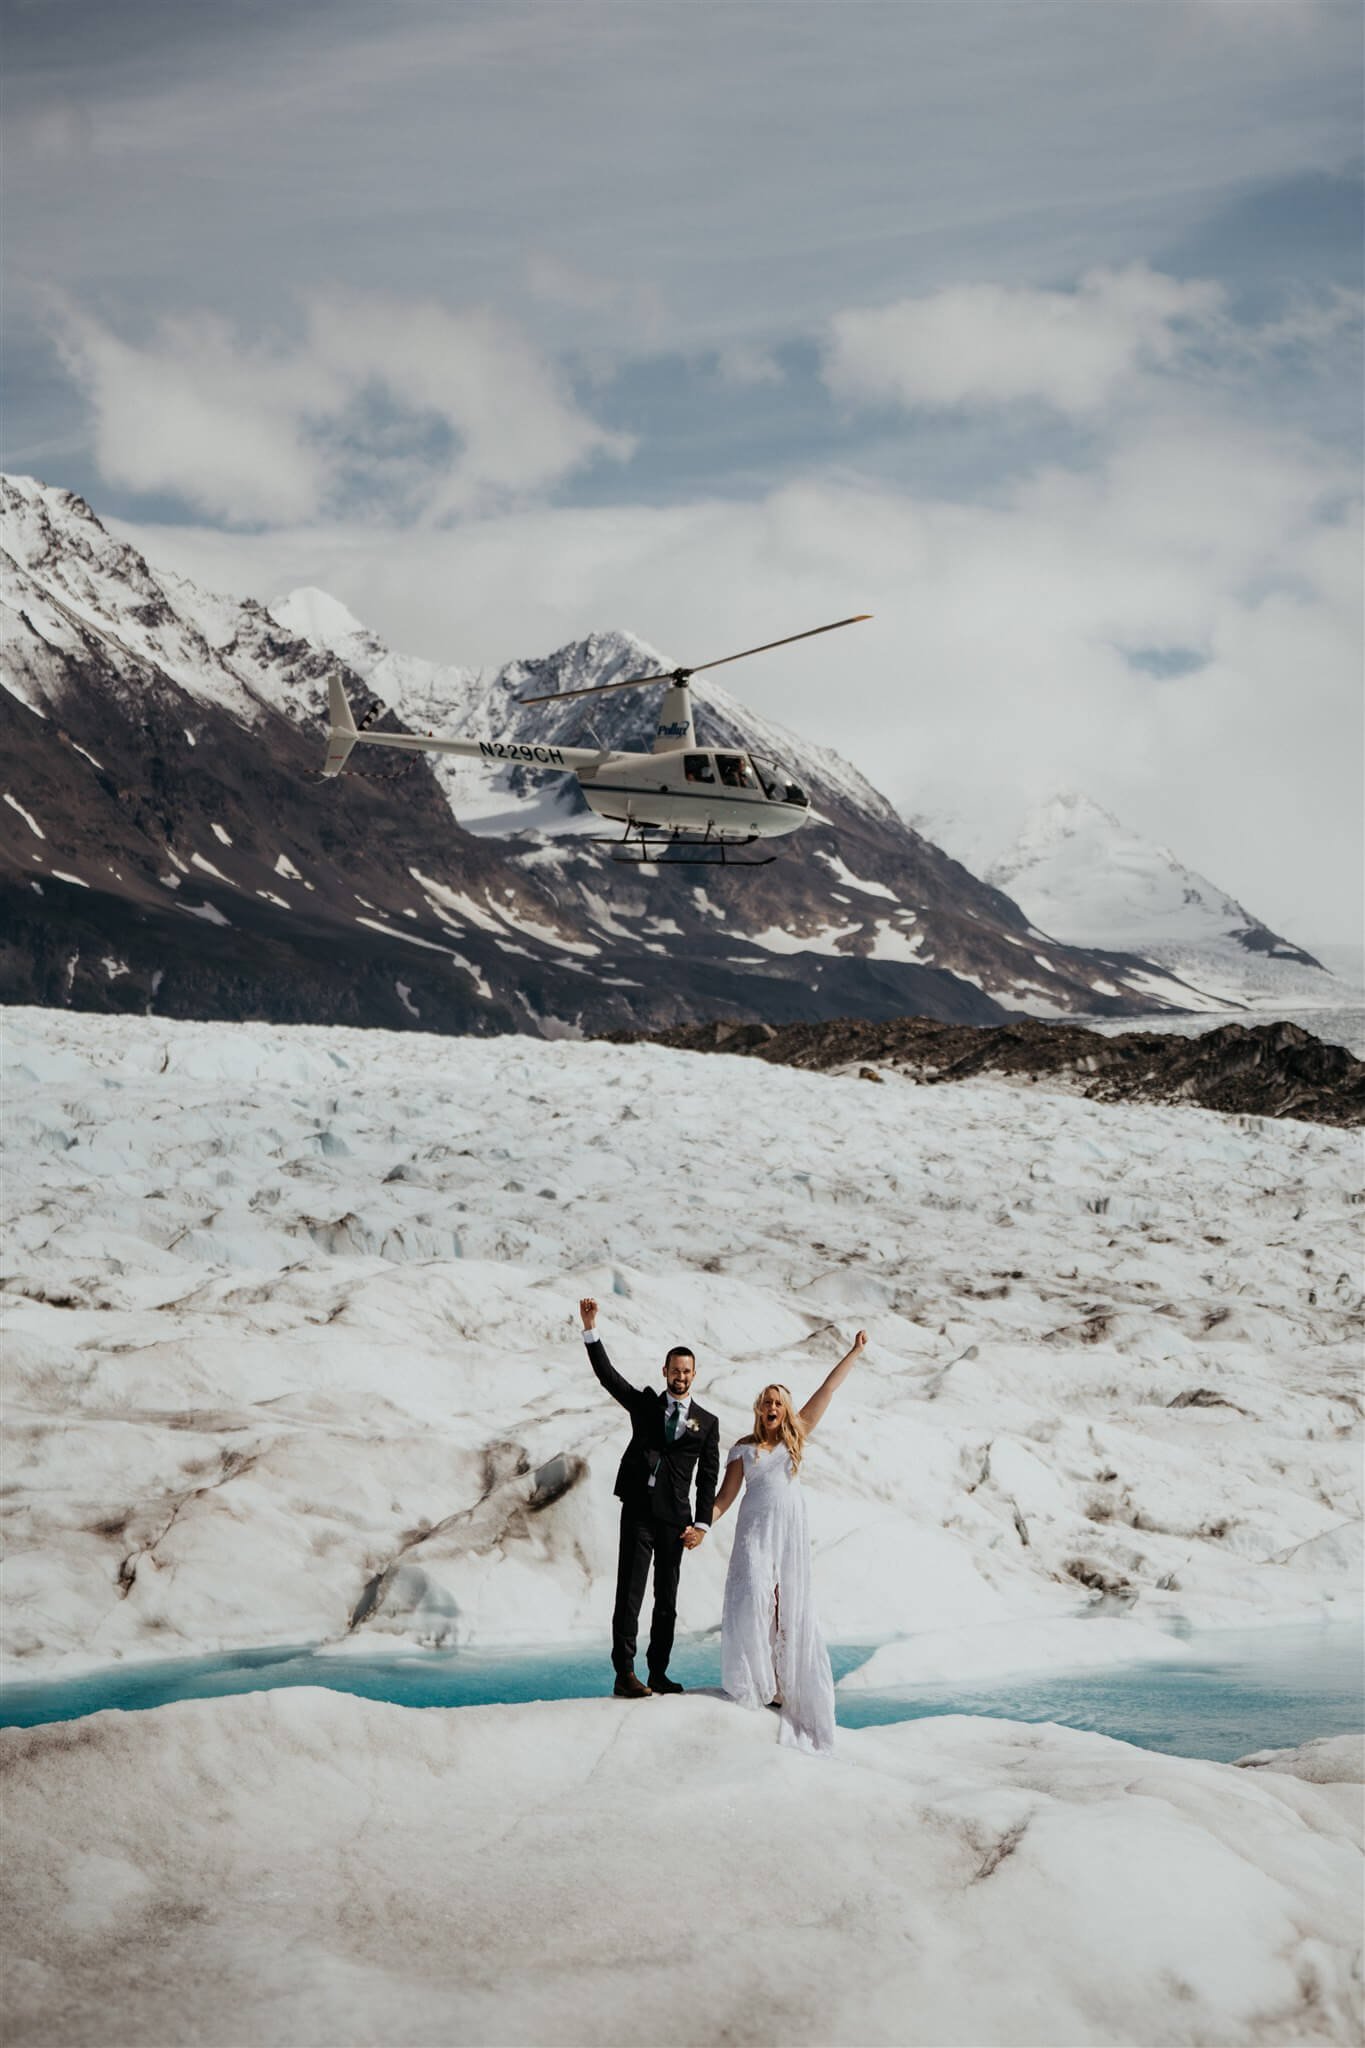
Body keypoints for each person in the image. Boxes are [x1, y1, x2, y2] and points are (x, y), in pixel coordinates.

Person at [709, 1331, 868, 1755]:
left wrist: (854, 1352)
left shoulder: (795, 1439)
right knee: (753, 1597)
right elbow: (725, 1498)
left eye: (780, 1402)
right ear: (759, 1409)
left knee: (785, 1602)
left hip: (789, 1535)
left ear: (787, 1410)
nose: (773, 1407)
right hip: (753, 1534)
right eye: (767, 1401)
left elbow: (828, 1389)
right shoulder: (743, 1448)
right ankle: (755, 1682)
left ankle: (782, 1686)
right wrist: (701, 1525)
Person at [579, 1296, 720, 1699]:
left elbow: (708, 1477)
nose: (680, 1376)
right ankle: (625, 1674)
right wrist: (591, 1330)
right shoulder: (644, 1405)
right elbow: (609, 1377)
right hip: (639, 1513)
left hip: (676, 1522)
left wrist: (702, 1523)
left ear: (694, 1375)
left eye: (687, 1371)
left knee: (667, 1602)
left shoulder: (706, 1423)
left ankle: (658, 1672)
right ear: (665, 1372)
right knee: (630, 1594)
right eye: (675, 1370)